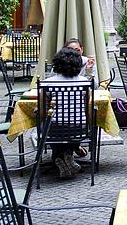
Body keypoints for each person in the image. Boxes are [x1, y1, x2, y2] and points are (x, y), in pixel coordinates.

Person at [44, 47, 91, 178]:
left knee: (51, 124)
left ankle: (58, 158)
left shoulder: (47, 83)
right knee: (70, 125)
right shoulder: (84, 82)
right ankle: (68, 156)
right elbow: (87, 105)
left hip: (56, 129)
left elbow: (43, 109)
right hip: (79, 128)